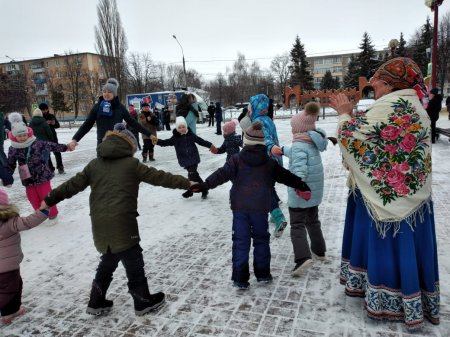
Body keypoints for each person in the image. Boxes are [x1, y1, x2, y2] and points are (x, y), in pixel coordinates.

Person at [41, 123, 197, 317]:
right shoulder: (132, 165)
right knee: (133, 261)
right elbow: (160, 177)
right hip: (123, 223)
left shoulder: (94, 165)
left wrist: (49, 199)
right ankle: (142, 301)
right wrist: (187, 183)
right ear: (129, 145)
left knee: (109, 258)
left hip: (100, 223)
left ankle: (96, 301)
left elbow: (72, 185)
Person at [329, 57, 439, 328]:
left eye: (377, 79)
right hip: (414, 196)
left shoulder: (389, 105)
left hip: (384, 200)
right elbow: (381, 141)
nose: (373, 84)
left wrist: (344, 114)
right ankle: (412, 296)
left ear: (390, 83)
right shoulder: (415, 106)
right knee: (408, 247)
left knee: (389, 245)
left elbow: (353, 137)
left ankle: (385, 297)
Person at [190, 122, 310, 289]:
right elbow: (286, 176)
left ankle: (240, 278)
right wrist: (301, 185)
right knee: (261, 240)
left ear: (245, 142)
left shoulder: (236, 160)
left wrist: (204, 185)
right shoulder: (269, 163)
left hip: (240, 208)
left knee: (240, 241)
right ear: (262, 143)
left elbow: (221, 175)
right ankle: (263, 274)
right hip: (260, 208)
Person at [281, 102, 328, 277]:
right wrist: (283, 150)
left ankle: (302, 258)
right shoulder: (311, 142)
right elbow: (297, 153)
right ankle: (320, 251)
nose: (292, 131)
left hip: (302, 193)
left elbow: (299, 168)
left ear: (300, 129)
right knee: (313, 221)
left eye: (294, 128)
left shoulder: (300, 145)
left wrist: (297, 185)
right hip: (314, 194)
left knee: (297, 224)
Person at [6, 113, 71, 220]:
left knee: (46, 196)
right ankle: (40, 215)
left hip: (42, 175)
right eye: (19, 136)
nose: (22, 138)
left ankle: (52, 214)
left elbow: (51, 145)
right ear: (14, 136)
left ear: (28, 133)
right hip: (27, 178)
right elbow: (10, 163)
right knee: (32, 198)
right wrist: (7, 177)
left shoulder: (36, 143)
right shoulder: (13, 148)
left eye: (24, 135)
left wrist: (65, 147)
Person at [0, 188, 49, 325]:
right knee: (8, 292)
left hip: (8, 267)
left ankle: (11, 312)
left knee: (15, 287)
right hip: (7, 269)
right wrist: (43, 211)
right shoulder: (8, 221)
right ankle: (10, 311)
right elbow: (28, 222)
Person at [68, 78, 151, 149]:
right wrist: (75, 140)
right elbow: (87, 124)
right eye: (104, 91)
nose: (106, 94)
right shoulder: (97, 107)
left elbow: (133, 122)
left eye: (109, 92)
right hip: (102, 144)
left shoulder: (120, 107)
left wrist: (149, 134)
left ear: (114, 94)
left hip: (117, 143)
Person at [152, 116, 217, 200]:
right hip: (184, 160)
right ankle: (204, 188)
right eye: (179, 127)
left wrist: (210, 145)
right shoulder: (175, 138)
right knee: (195, 175)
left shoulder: (190, 135)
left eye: (183, 127)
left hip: (193, 158)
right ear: (177, 128)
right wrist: (157, 141)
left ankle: (190, 191)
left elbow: (201, 141)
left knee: (192, 174)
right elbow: (166, 142)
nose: (182, 129)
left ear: (186, 127)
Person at [249, 94, 287, 238]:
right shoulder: (268, 119)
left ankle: (279, 218)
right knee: (269, 187)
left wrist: (270, 147)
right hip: (273, 160)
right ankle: (274, 212)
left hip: (264, 160)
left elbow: (266, 138)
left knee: (265, 191)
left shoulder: (258, 121)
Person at [39, 103, 65, 174]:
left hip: (53, 137)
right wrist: (45, 123)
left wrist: (53, 124)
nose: (45, 111)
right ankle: (50, 168)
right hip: (45, 137)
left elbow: (57, 125)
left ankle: (60, 167)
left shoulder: (51, 116)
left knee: (57, 152)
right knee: (47, 153)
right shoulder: (40, 118)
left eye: (46, 109)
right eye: (43, 110)